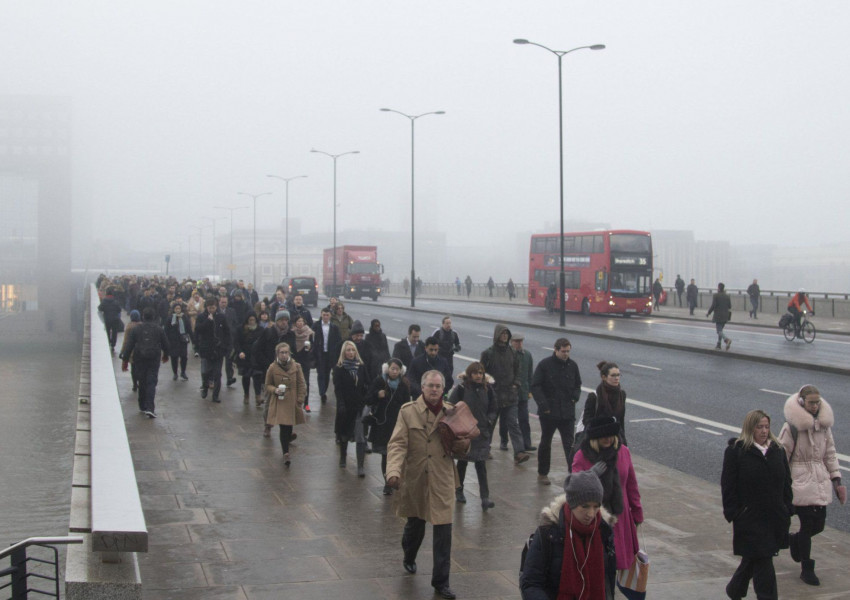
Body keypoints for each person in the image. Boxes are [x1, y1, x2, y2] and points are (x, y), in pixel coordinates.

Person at [386, 370, 459, 600]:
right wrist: (394, 471)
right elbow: (397, 444)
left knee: (443, 532)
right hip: (416, 477)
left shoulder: (452, 412)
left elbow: (462, 447)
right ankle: (409, 554)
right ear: (423, 387)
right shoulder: (408, 412)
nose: (435, 390)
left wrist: (465, 441)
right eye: (431, 386)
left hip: (443, 478)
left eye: (438, 386)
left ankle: (441, 582)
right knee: (415, 526)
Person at [721, 409, 792, 600]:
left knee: (756, 556)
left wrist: (787, 508)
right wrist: (734, 513)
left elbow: (786, 482)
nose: (764, 431)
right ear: (750, 428)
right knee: (764, 559)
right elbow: (728, 485)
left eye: (767, 427)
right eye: (759, 427)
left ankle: (735, 589)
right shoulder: (736, 451)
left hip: (774, 517)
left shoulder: (777, 450)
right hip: (749, 517)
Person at [778, 385, 845, 586]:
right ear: (801, 402)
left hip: (819, 480)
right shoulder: (791, 427)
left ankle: (794, 540)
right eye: (811, 402)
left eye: (817, 402)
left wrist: (836, 480)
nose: (815, 406)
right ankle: (807, 569)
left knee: (819, 524)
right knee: (808, 526)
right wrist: (780, 485)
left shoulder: (824, 426)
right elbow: (781, 457)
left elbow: (830, 454)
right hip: (798, 482)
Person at [519, 468, 616, 600]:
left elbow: (608, 583)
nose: (591, 514)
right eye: (585, 506)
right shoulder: (548, 534)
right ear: (572, 504)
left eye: (596, 506)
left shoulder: (604, 532)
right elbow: (530, 583)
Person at [573, 416, 643, 583]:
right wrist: (591, 476)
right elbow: (573, 488)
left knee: (616, 566)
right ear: (594, 438)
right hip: (595, 519)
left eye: (611, 435)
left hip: (621, 517)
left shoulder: (623, 452)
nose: (608, 439)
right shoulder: (582, 456)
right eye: (603, 436)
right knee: (600, 568)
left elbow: (631, 485)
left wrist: (637, 513)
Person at [531, 338, 582, 485]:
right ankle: (543, 473)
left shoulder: (573, 365)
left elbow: (578, 384)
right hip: (549, 412)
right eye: (563, 351)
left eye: (568, 351)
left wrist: (575, 397)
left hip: (567, 412)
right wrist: (543, 405)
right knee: (546, 442)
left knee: (569, 444)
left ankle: (573, 474)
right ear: (556, 349)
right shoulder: (545, 365)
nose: (566, 354)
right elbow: (536, 386)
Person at [449, 362, 497, 510]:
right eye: (476, 373)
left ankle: (485, 497)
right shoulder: (462, 389)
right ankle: (459, 490)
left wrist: (489, 420)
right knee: (462, 463)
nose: (478, 376)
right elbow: (451, 406)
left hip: (481, 432)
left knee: (481, 465)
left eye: (481, 373)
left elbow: (494, 408)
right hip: (465, 433)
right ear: (470, 374)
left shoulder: (488, 389)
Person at [366, 358, 410, 495]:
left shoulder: (404, 384)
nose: (394, 371)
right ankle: (387, 483)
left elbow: (407, 404)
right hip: (383, 424)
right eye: (392, 368)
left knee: (397, 455)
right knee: (386, 455)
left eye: (397, 369)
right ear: (387, 369)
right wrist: (377, 395)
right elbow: (367, 399)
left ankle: (397, 479)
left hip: (398, 424)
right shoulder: (380, 381)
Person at [120, 307, 169, 418]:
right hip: (154, 358)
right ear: (153, 317)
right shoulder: (158, 329)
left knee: (142, 381)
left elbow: (129, 345)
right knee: (151, 382)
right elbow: (166, 344)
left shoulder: (136, 329)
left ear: (143, 316)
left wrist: (125, 361)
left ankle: (142, 405)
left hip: (139, 358)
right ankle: (150, 407)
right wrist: (166, 355)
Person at [253, 310, 296, 435]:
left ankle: (287, 430)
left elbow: (292, 352)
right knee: (270, 400)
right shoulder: (268, 332)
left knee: (287, 402)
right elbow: (257, 349)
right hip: (270, 371)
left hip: (286, 372)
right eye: (282, 320)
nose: (284, 322)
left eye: (286, 320)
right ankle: (268, 425)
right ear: (276, 321)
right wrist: (266, 364)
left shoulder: (290, 334)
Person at [264, 342, 306, 466]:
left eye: (286, 352)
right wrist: (274, 390)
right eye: (281, 352)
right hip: (280, 401)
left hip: (292, 401)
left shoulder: (296, 366)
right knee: (284, 426)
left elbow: (301, 384)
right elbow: (267, 385)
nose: (284, 355)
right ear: (277, 354)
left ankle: (287, 439)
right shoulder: (272, 367)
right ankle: (286, 453)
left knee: (289, 426)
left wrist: (300, 398)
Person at [333, 341, 370, 475]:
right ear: (344, 352)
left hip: (359, 407)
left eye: (352, 350)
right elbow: (338, 389)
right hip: (346, 407)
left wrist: (367, 400)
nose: (350, 353)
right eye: (348, 350)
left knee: (360, 436)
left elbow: (367, 383)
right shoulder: (339, 368)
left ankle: (360, 466)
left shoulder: (361, 367)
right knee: (344, 434)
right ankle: (343, 457)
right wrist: (341, 404)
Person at [581, 362, 627, 446]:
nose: (616, 378)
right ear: (604, 377)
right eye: (613, 375)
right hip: (598, 440)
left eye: (618, 375)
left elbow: (621, 420)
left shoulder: (622, 394)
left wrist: (624, 442)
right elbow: (586, 421)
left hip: (616, 439)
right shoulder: (594, 396)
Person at [194, 297, 231, 403]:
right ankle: (205, 387)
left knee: (217, 373)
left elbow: (227, 332)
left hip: (219, 350)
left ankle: (215, 395)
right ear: (207, 308)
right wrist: (208, 321)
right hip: (206, 349)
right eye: (210, 308)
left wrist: (226, 346)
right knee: (206, 372)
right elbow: (198, 329)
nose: (212, 310)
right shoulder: (201, 317)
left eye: (213, 308)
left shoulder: (221, 317)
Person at [312, 308, 342, 405]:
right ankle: (322, 393)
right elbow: (311, 339)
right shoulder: (316, 326)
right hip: (320, 354)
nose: (325, 317)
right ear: (321, 315)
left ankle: (324, 389)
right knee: (320, 373)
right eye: (324, 315)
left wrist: (337, 354)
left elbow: (339, 342)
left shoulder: (334, 327)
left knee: (327, 373)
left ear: (330, 316)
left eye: (327, 315)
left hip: (330, 355)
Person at [511, 333, 535, 452]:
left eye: (521, 341)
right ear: (512, 342)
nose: (519, 344)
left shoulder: (527, 355)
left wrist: (530, 390)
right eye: (516, 341)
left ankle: (527, 443)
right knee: (509, 420)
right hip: (510, 394)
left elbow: (530, 374)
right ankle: (504, 441)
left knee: (524, 419)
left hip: (523, 393)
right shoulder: (509, 355)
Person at [235, 312, 264, 407]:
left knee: (257, 376)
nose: (252, 322)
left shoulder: (260, 329)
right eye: (250, 320)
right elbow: (237, 342)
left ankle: (258, 396)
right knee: (246, 376)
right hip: (245, 357)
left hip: (256, 357)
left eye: (253, 320)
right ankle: (246, 394)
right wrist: (240, 352)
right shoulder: (241, 329)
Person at [291, 315, 314, 412]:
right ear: (295, 323)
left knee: (306, 382)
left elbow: (313, 345)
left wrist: (309, 349)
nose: (300, 323)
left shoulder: (309, 333)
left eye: (301, 321)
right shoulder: (292, 333)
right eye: (298, 321)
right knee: (295, 381)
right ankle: (296, 402)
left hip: (305, 360)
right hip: (295, 359)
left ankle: (306, 403)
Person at [163, 302, 191, 381]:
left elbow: (188, 328)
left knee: (184, 357)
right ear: (173, 310)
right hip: (173, 341)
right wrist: (166, 341)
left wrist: (193, 339)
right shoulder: (170, 318)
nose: (178, 310)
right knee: (174, 358)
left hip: (182, 341)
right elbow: (166, 330)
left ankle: (183, 372)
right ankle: (175, 373)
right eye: (176, 309)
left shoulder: (184, 317)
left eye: (179, 308)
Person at [120, 309, 143, 392]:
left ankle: (134, 385)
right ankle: (140, 383)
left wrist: (122, 352)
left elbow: (126, 341)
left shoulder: (129, 327)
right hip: (141, 350)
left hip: (132, 351)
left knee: (133, 368)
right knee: (140, 368)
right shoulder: (142, 326)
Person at [707, 282, 733, 350]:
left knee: (719, 331)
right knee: (721, 331)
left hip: (718, 315)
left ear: (718, 288)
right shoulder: (727, 296)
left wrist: (708, 313)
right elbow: (730, 306)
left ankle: (727, 340)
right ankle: (718, 344)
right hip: (725, 316)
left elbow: (713, 306)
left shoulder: (716, 295)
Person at [97, 287, 123, 354]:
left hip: (107, 319)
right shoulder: (115, 301)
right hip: (115, 320)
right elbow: (119, 310)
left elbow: (99, 309)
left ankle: (108, 343)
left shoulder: (104, 301)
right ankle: (113, 345)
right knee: (114, 332)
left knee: (107, 332)